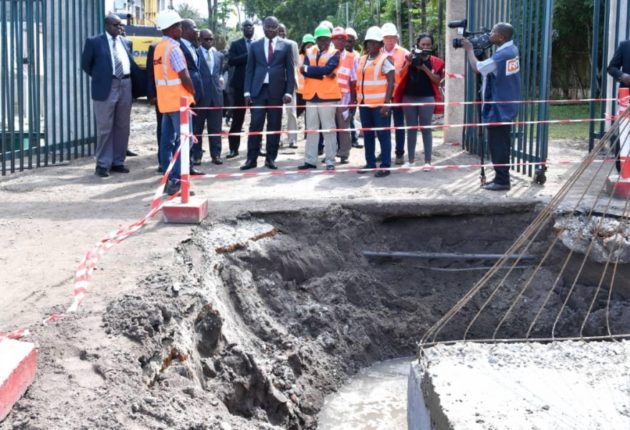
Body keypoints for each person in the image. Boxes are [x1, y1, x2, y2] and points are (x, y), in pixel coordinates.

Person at [81, 14, 141, 178]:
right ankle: (102, 164)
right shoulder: (94, 42)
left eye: (121, 25)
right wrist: (102, 77)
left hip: (126, 85)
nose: (120, 28)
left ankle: (118, 162)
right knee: (105, 127)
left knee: (122, 126)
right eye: (116, 25)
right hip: (107, 86)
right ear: (107, 25)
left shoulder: (125, 42)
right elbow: (86, 64)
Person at [463, 22, 521, 191]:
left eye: (493, 32)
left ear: (501, 37)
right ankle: (500, 177)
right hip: (507, 103)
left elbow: (477, 68)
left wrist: (469, 50)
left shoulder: (502, 55)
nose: (490, 35)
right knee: (502, 143)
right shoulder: (511, 50)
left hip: (499, 107)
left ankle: (502, 181)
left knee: (498, 144)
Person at [240, 16, 295, 170]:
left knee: (274, 125)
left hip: (277, 92)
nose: (270, 29)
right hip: (258, 91)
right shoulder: (255, 46)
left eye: (273, 26)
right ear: (262, 27)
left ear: (278, 28)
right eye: (267, 26)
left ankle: (271, 158)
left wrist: (289, 92)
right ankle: (251, 159)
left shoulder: (286, 46)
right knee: (255, 125)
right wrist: (246, 92)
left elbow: (290, 71)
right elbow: (249, 70)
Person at [152, 10, 196, 195]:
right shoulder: (174, 49)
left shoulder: (159, 48)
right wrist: (193, 91)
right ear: (170, 29)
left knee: (167, 142)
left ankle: (168, 177)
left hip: (166, 102)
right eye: (178, 25)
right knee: (186, 142)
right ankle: (176, 181)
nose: (181, 28)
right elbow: (183, 75)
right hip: (179, 102)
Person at [395, 33, 444, 168]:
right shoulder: (409, 58)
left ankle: (428, 162)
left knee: (426, 129)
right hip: (408, 97)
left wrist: (424, 68)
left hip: (427, 97)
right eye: (423, 44)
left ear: (432, 46)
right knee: (411, 129)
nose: (425, 47)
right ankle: (410, 161)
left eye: (428, 45)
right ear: (418, 45)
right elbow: (400, 75)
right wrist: (409, 63)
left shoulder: (436, 62)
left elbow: (437, 80)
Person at [297, 25, 342, 171]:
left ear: (330, 40)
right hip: (311, 96)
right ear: (316, 40)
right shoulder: (309, 51)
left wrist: (311, 70)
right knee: (311, 129)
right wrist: (321, 73)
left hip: (328, 97)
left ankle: (330, 161)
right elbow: (304, 71)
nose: (324, 43)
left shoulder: (335, 53)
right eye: (320, 40)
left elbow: (328, 69)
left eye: (326, 40)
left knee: (329, 129)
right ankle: (310, 160)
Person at [356, 26, 395, 178]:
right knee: (368, 135)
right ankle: (370, 163)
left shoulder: (384, 59)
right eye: (369, 43)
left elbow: (391, 81)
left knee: (383, 135)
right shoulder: (362, 59)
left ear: (380, 44)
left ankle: (385, 166)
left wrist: (386, 103)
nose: (371, 46)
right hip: (365, 104)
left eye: (374, 43)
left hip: (379, 105)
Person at [178, 19, 205, 174]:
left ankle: (188, 165)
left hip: (195, 96)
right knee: (184, 133)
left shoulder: (193, 47)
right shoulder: (179, 47)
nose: (197, 31)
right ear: (186, 30)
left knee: (193, 130)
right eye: (195, 28)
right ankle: (183, 167)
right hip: (185, 96)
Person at [195, 29, 225, 165]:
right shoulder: (195, 54)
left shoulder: (219, 55)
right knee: (197, 129)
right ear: (200, 40)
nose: (209, 41)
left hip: (216, 97)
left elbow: (218, 74)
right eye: (206, 39)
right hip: (200, 98)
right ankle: (196, 156)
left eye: (211, 39)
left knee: (215, 128)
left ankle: (216, 155)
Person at [381, 23, 409, 165]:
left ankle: (399, 153)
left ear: (396, 38)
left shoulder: (404, 53)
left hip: (398, 94)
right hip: (382, 95)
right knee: (383, 125)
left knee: (398, 124)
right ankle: (384, 151)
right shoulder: (377, 52)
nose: (390, 41)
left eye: (392, 38)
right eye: (387, 38)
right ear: (383, 39)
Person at [226, 20, 255, 159]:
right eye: (246, 27)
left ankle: (256, 148)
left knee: (257, 120)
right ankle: (233, 149)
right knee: (237, 119)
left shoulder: (259, 44)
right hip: (239, 87)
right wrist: (249, 54)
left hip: (256, 87)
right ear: (242, 29)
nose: (249, 29)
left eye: (251, 26)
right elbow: (231, 61)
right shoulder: (236, 44)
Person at [331, 27, 357, 164]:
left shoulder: (351, 57)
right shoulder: (327, 55)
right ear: (332, 40)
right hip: (328, 96)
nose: (339, 41)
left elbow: (353, 80)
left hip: (344, 97)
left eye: (342, 39)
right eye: (336, 38)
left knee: (343, 126)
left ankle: (344, 153)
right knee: (330, 126)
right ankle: (331, 151)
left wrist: (353, 100)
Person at [278, 23, 300, 149]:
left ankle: (293, 139)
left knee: (291, 112)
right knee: (277, 113)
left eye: (283, 31)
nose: (281, 33)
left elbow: (296, 63)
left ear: (286, 32)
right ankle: (278, 138)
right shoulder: (274, 45)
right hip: (277, 83)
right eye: (279, 31)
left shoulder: (293, 44)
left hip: (290, 83)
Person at [345, 27, 363, 149]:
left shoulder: (357, 56)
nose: (347, 43)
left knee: (351, 116)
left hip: (353, 90)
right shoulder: (338, 54)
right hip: (341, 92)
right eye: (345, 40)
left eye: (350, 41)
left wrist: (355, 96)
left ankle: (354, 139)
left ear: (355, 41)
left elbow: (356, 76)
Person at [296, 34, 316, 120]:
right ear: (303, 46)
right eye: (307, 46)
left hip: (311, 92)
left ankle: (307, 133)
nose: (309, 49)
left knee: (310, 118)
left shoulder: (315, 58)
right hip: (299, 92)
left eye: (311, 46)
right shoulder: (297, 57)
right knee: (295, 114)